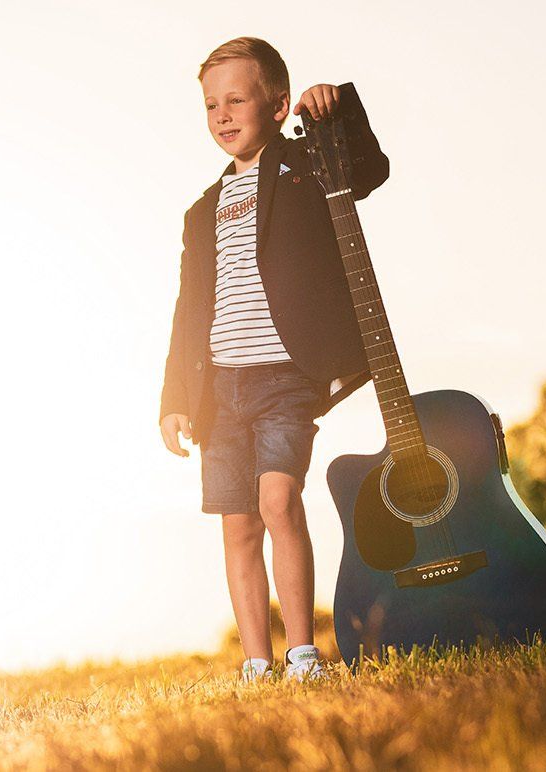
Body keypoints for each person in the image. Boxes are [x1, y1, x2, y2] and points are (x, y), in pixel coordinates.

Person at [157, 36, 389, 682]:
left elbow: (368, 172)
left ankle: (303, 654)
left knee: (279, 501)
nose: (223, 115)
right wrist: (174, 399)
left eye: (237, 100)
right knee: (237, 525)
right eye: (211, 105)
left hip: (286, 376)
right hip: (219, 389)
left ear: (278, 105)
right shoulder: (201, 212)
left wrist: (337, 109)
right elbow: (188, 310)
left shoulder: (305, 168)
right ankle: (257, 663)